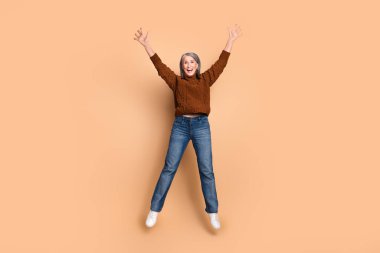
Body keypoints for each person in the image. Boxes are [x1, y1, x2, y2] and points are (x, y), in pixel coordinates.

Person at [133, 25, 242, 230]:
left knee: (206, 170)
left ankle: (213, 214)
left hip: (201, 126)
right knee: (169, 167)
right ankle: (154, 211)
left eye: (192, 61)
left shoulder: (206, 79)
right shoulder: (176, 82)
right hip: (181, 126)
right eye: (185, 62)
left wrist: (231, 40)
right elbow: (160, 67)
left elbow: (221, 63)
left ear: (197, 65)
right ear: (182, 66)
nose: (189, 64)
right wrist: (146, 44)